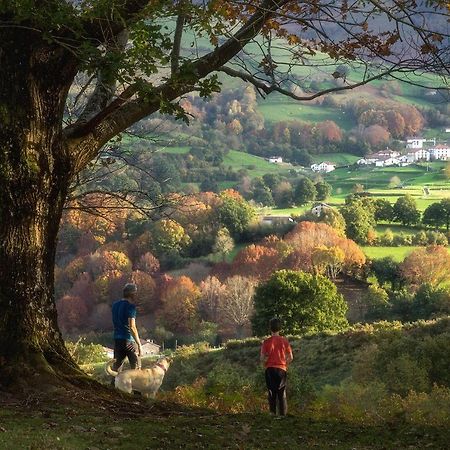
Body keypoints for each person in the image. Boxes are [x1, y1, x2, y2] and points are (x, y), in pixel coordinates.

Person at [260, 318, 293, 416]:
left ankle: (272, 413)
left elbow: (262, 358)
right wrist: (284, 363)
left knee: (271, 392)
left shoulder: (266, 342)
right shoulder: (284, 341)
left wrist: (266, 360)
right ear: (280, 329)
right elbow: (290, 357)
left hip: (270, 369)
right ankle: (282, 415)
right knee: (282, 392)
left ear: (270, 328)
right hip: (281, 369)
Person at [111, 283, 142, 376]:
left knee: (116, 370)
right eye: (136, 293)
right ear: (133, 294)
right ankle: (137, 391)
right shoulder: (131, 306)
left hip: (117, 340)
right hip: (129, 341)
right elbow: (132, 326)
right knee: (136, 370)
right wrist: (139, 343)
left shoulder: (114, 305)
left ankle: (113, 389)